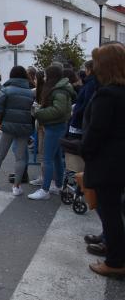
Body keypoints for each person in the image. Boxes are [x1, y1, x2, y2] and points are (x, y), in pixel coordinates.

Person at [81, 43, 125, 277]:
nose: (94, 66)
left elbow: (96, 131)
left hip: (108, 162)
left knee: (110, 211)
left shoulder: (108, 93)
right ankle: (116, 249)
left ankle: (115, 262)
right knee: (116, 210)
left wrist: (85, 151)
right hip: (119, 161)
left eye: (97, 62)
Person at [0, 66, 34, 196]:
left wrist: (1, 122)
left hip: (8, 126)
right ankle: (16, 187)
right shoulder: (30, 92)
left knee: (0, 155)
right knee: (20, 158)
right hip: (24, 128)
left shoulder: (6, 90)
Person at [28, 64, 75, 200]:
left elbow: (58, 110)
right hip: (58, 126)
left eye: (46, 75)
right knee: (56, 158)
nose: (45, 78)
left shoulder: (59, 90)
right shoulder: (61, 88)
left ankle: (45, 189)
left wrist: (39, 112)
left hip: (54, 126)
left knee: (48, 158)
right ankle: (58, 185)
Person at [69, 60, 98, 137]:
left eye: (85, 69)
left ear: (89, 70)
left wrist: (76, 112)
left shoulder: (91, 84)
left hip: (80, 121)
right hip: (80, 119)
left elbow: (87, 102)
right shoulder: (90, 82)